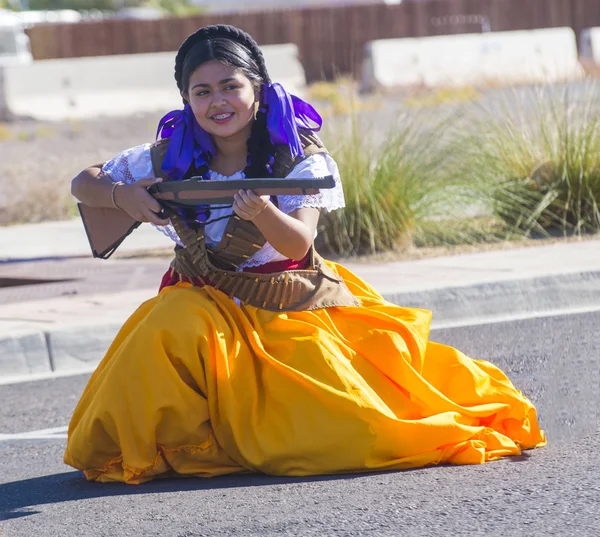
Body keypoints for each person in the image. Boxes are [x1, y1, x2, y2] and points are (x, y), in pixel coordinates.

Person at [64, 25, 545, 484]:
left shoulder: (299, 158)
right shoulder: (168, 154)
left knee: (360, 430)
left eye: (230, 86)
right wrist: (120, 196)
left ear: (257, 88)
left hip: (286, 307)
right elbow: (83, 182)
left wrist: (263, 213)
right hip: (203, 305)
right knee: (171, 320)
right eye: (202, 91)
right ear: (187, 101)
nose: (218, 102)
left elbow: (298, 244)